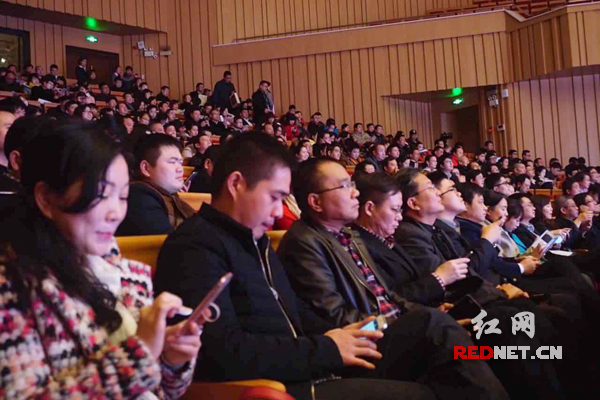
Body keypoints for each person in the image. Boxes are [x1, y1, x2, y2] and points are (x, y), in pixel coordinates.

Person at [154, 134, 440, 400]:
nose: (279, 211)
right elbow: (221, 351)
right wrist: (327, 348)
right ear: (236, 184)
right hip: (286, 386)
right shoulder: (194, 245)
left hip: (311, 366)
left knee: (434, 336)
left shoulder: (257, 241)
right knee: (426, 388)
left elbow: (294, 313)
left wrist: (347, 334)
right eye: (274, 197)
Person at [277, 158, 508, 400]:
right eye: (344, 186)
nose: (355, 193)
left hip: (384, 328)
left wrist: (416, 312)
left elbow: (388, 296)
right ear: (315, 202)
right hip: (363, 341)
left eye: (352, 185)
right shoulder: (304, 242)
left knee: (469, 329)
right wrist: (399, 321)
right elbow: (337, 319)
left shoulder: (347, 236)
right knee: (434, 325)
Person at [0, 123, 200, 398]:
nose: (115, 213)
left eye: (123, 197)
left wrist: (170, 360)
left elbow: (159, 391)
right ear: (45, 198)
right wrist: (139, 354)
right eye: (101, 195)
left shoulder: (128, 275)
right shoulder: (13, 288)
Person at [116, 135, 195, 236]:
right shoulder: (139, 198)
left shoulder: (169, 196)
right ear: (146, 168)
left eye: (180, 163)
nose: (180, 169)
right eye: (172, 162)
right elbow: (171, 243)